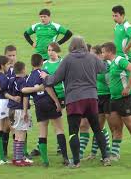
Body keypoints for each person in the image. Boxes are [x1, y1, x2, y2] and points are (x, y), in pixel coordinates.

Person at [41, 36, 111, 168]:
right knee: (97, 129)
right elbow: (104, 68)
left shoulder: (67, 59)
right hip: (91, 97)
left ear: (71, 46)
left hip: (74, 99)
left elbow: (55, 79)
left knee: (74, 131)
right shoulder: (92, 57)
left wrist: (46, 77)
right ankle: (106, 157)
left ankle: (76, 161)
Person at [101, 42, 131, 162]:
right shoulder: (111, 63)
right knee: (116, 127)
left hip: (125, 99)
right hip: (114, 99)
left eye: (103, 52)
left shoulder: (119, 60)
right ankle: (115, 154)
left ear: (109, 52)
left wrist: (128, 87)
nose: (102, 54)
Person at [21, 54, 69, 167]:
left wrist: (24, 110)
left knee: (42, 132)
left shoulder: (28, 78)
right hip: (49, 102)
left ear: (31, 64)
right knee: (59, 129)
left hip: (38, 105)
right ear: (42, 62)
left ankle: (45, 161)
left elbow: (26, 95)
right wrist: (57, 102)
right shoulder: (43, 74)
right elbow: (48, 87)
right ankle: (65, 158)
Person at [85, 45, 111, 160]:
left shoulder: (106, 65)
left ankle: (109, 151)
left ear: (100, 54)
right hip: (97, 97)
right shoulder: (93, 65)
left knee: (113, 127)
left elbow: (110, 82)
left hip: (107, 97)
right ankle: (94, 153)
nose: (90, 56)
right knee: (97, 127)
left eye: (93, 54)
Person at [8, 61, 33, 167]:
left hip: (12, 109)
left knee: (17, 134)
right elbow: (25, 96)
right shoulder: (22, 81)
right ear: (23, 70)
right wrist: (25, 111)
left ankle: (16, 157)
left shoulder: (11, 80)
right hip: (19, 110)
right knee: (22, 133)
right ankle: (19, 159)